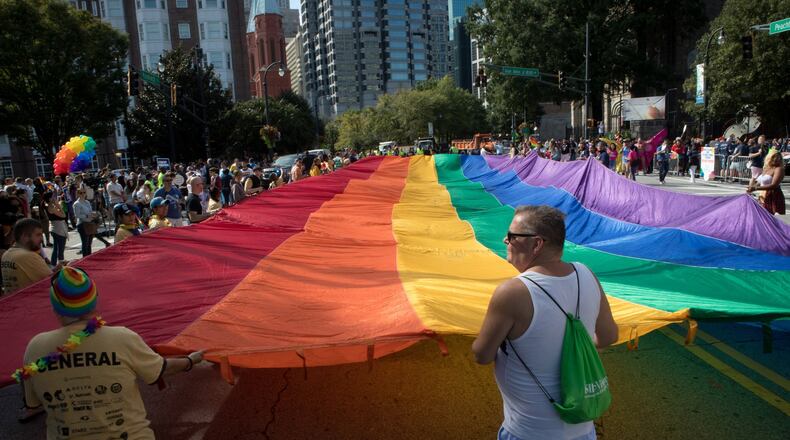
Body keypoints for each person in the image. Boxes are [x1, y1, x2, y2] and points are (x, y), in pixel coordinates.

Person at [471, 206, 618, 440]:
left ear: (536, 244)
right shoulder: (586, 274)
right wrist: (572, 350)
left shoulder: (513, 292)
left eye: (512, 236)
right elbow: (609, 336)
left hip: (528, 432)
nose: (505, 240)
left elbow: (482, 355)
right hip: (584, 432)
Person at [17, 267, 205, 438]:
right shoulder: (122, 338)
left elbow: (33, 404)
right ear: (95, 299)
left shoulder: (35, 347)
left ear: (55, 308)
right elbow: (162, 368)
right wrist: (190, 361)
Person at [1, 218, 62, 295]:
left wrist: (55, 270)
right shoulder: (27, 256)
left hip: (16, 303)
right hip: (30, 302)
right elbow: (53, 283)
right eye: (38, 235)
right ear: (24, 236)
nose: (41, 239)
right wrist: (67, 270)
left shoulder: (7, 254)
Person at [748, 150, 786, 215]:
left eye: (779, 157)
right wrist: (750, 188)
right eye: (774, 157)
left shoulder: (779, 169)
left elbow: (774, 185)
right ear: (769, 158)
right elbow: (760, 182)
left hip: (773, 196)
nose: (777, 159)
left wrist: (755, 188)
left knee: (772, 219)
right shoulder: (766, 168)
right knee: (763, 217)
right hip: (762, 196)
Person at [44, 191, 68, 267]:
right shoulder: (51, 207)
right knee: (60, 249)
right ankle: (61, 266)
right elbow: (63, 215)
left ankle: (53, 265)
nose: (55, 198)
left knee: (56, 249)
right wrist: (58, 205)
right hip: (59, 229)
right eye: (53, 196)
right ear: (50, 198)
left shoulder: (47, 206)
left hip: (55, 228)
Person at [72, 188, 97, 257]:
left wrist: (93, 214)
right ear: (78, 194)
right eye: (81, 193)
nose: (83, 194)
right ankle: (85, 258)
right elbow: (77, 215)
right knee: (85, 243)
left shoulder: (87, 202)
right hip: (82, 225)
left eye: (84, 192)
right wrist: (87, 215)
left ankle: (89, 257)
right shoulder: (76, 204)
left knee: (89, 243)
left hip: (90, 223)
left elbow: (90, 211)